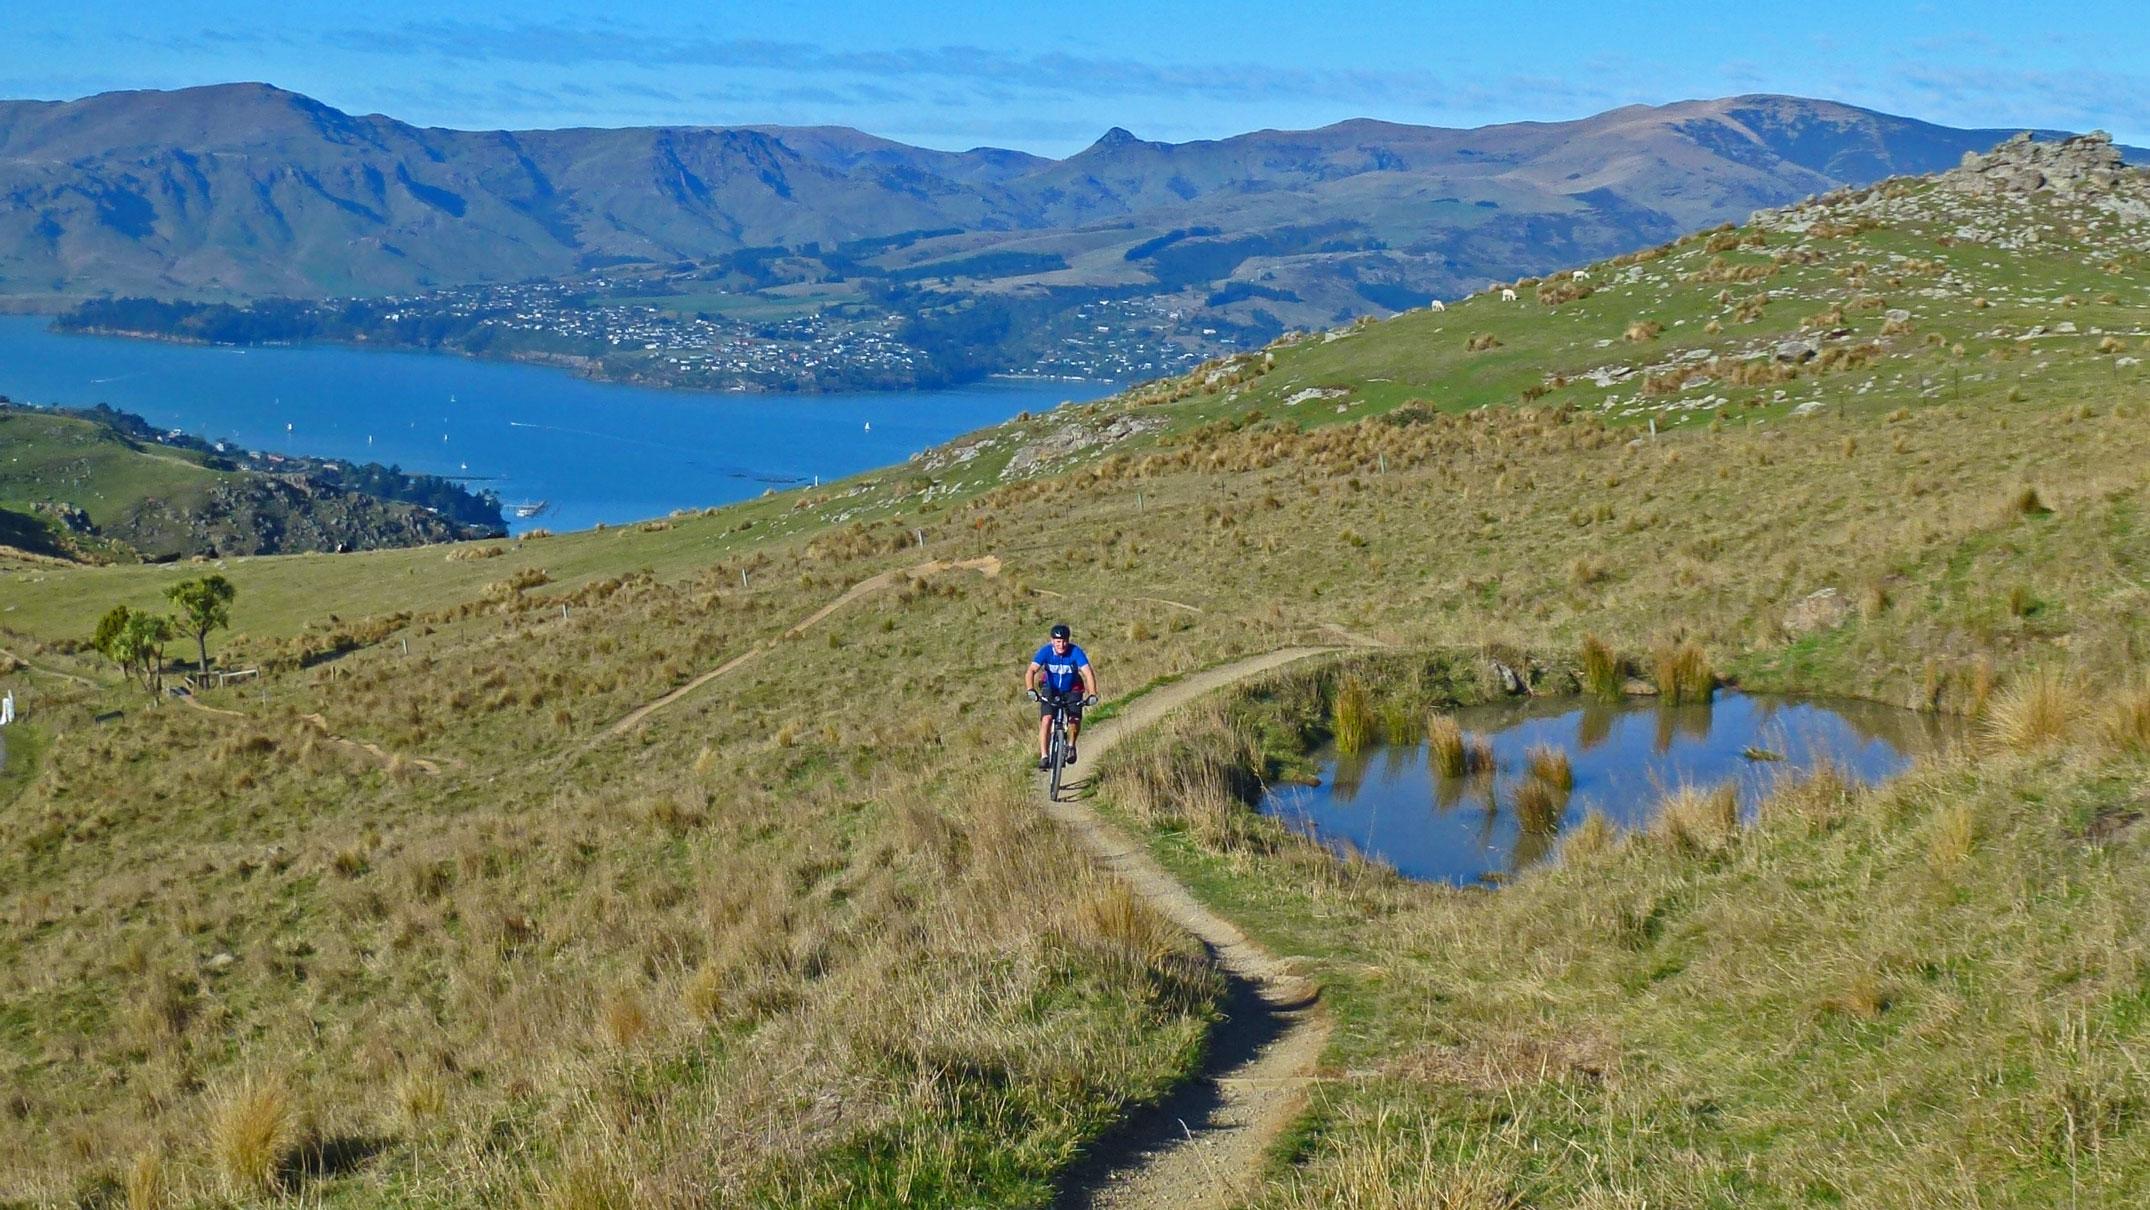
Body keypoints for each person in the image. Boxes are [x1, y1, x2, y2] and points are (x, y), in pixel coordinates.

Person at [1026, 623, 1098, 770]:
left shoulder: (1075, 652)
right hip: (1051, 689)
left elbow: (1088, 673)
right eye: (1058, 641)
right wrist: (1030, 689)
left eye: (1064, 641)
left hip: (1073, 689)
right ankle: (1044, 756)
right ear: (1052, 641)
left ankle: (1071, 746)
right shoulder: (1045, 652)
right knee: (1046, 720)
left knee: (1074, 720)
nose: (1061, 644)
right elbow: (1031, 670)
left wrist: (1092, 693)